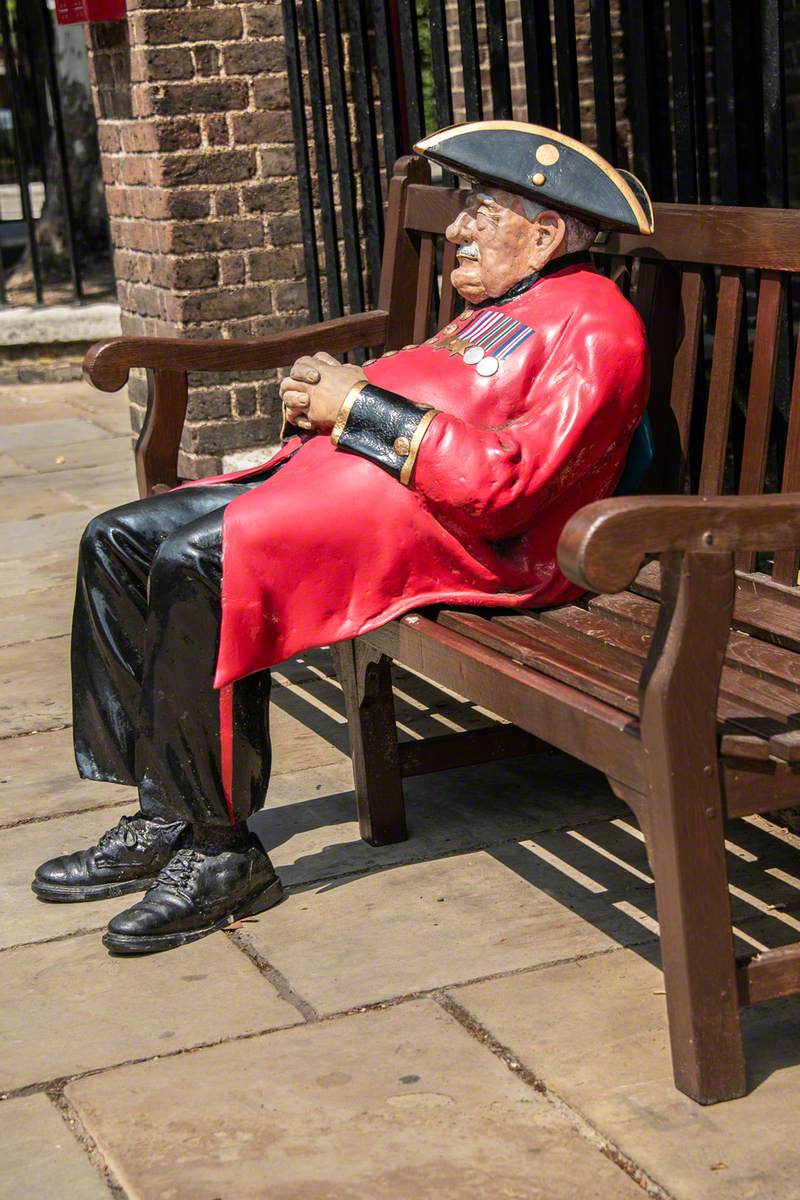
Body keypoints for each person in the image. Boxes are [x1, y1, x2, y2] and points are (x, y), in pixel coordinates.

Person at [32, 120, 653, 954]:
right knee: (118, 539)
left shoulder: (596, 326)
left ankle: (222, 850)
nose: (457, 229)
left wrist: (357, 406)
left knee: (202, 564)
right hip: (368, 493)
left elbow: (506, 486)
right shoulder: (502, 306)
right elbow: (439, 396)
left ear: (543, 235)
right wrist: (334, 398)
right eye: (463, 206)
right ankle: (164, 807)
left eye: (481, 209)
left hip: (476, 544)